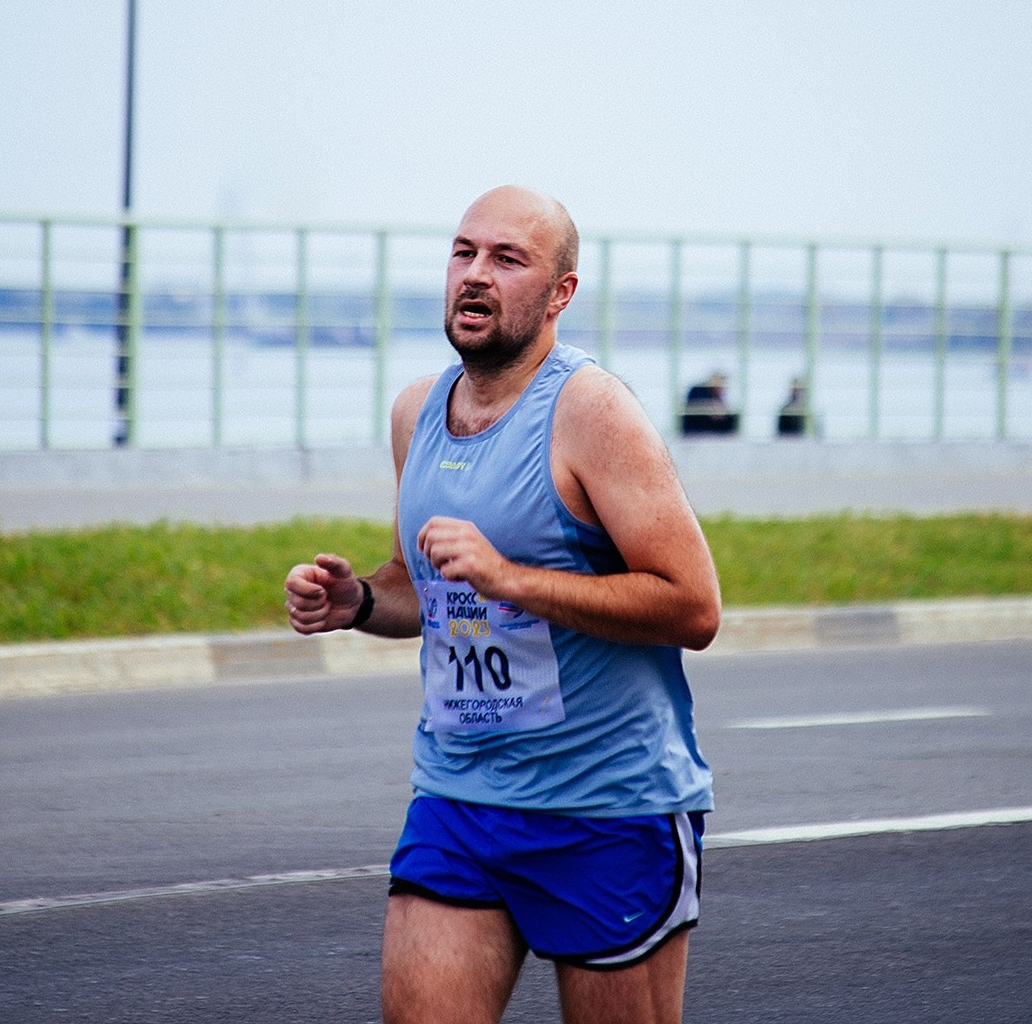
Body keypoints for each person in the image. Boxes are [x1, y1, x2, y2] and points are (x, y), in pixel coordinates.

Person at [284, 186, 719, 1024]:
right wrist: (362, 597)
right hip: (459, 793)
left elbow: (693, 606)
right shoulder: (418, 412)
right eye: (463, 252)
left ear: (561, 293)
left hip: (606, 804)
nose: (475, 275)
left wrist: (515, 578)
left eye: (507, 259)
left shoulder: (592, 412)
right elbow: (436, 587)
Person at [679, 372, 738, 437]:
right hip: (696, 430)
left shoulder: (716, 396)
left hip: (709, 431)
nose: (723, 389)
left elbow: (721, 414)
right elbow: (699, 409)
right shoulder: (698, 390)